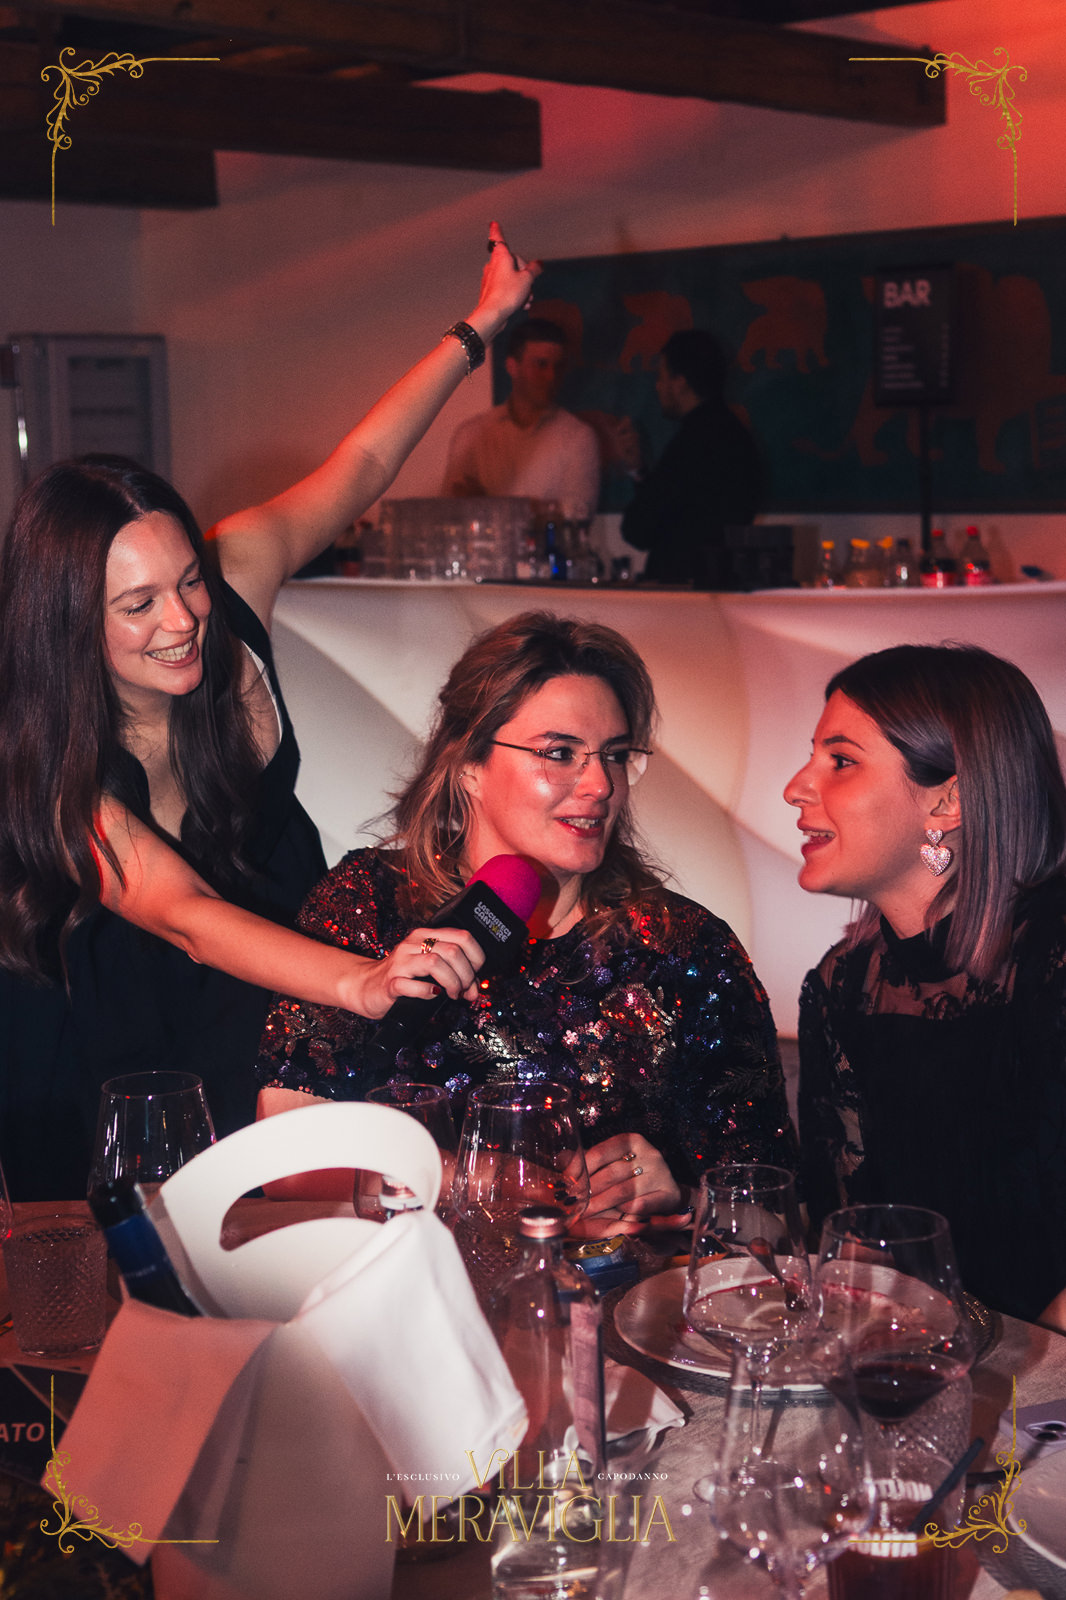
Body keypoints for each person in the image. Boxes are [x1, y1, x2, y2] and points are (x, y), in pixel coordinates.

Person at [0, 222, 537, 1201]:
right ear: (68, 624)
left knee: (303, 1217)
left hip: (275, 967)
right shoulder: (52, 766)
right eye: (137, 605)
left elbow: (362, 461)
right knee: (143, 1238)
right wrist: (359, 980)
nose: (182, 621)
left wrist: (480, 326)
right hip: (115, 1013)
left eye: (187, 581)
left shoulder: (237, 573)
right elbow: (188, 917)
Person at [256, 611, 796, 1231]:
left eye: (615, 755)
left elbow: (778, 1215)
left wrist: (683, 1198)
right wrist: (498, 1183)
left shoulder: (686, 947)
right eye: (560, 753)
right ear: (468, 764)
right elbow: (285, 1160)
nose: (601, 784)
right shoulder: (370, 903)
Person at [784, 643, 1066, 1326]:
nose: (796, 787)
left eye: (841, 761)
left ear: (948, 800)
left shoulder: (1053, 967)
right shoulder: (844, 985)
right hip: (924, 1361)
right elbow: (849, 1238)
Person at [619, 329, 761, 588]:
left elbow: (640, 529)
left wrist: (640, 477)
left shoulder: (692, 442)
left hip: (681, 592)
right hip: (723, 587)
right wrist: (639, 470)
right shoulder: (739, 437)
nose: (657, 386)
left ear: (680, 382)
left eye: (661, 377)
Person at [441, 317, 600, 516]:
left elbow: (577, 514)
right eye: (541, 364)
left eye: (558, 366)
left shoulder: (578, 436)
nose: (551, 376)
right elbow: (451, 509)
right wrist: (541, 511)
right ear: (512, 366)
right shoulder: (471, 434)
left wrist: (487, 504)